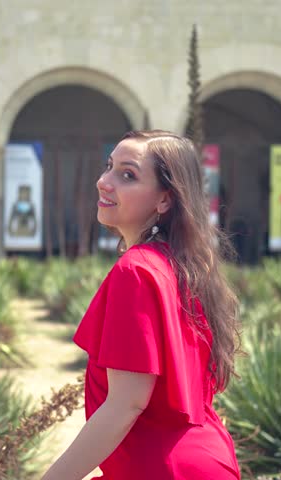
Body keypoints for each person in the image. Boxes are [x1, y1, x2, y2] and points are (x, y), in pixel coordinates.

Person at [42, 131, 242, 480]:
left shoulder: (136, 271)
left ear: (164, 200)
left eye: (127, 175)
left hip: (163, 469)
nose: (104, 182)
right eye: (109, 167)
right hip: (204, 459)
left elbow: (126, 404)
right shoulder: (185, 267)